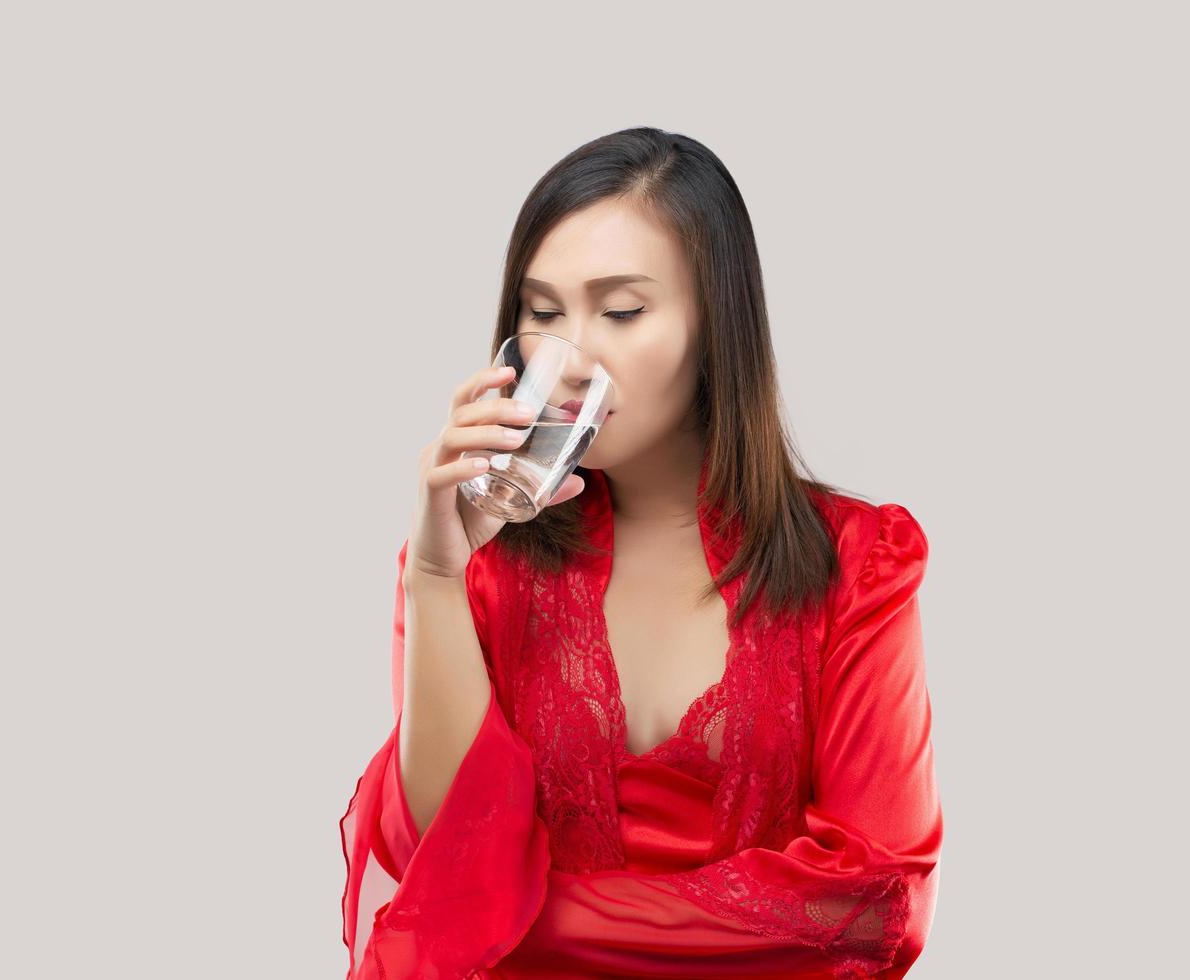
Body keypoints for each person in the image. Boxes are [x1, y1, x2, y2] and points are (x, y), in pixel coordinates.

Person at [339, 127, 942, 979]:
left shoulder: (855, 564)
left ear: (716, 322)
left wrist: (525, 915)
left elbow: (877, 896)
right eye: (543, 313)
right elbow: (433, 852)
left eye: (622, 312)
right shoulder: (477, 560)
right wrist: (435, 575)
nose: (572, 357)